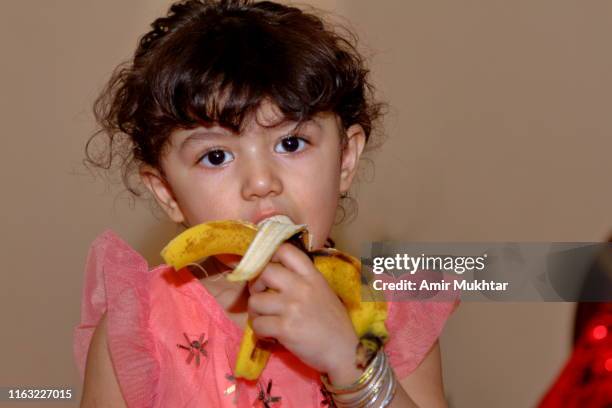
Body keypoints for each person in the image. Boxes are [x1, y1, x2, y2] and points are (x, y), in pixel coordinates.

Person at [74, 1, 457, 406]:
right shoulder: (141, 330)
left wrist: (348, 359)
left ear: (345, 160)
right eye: (216, 157)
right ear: (168, 192)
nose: (261, 183)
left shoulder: (388, 317)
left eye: (291, 143)